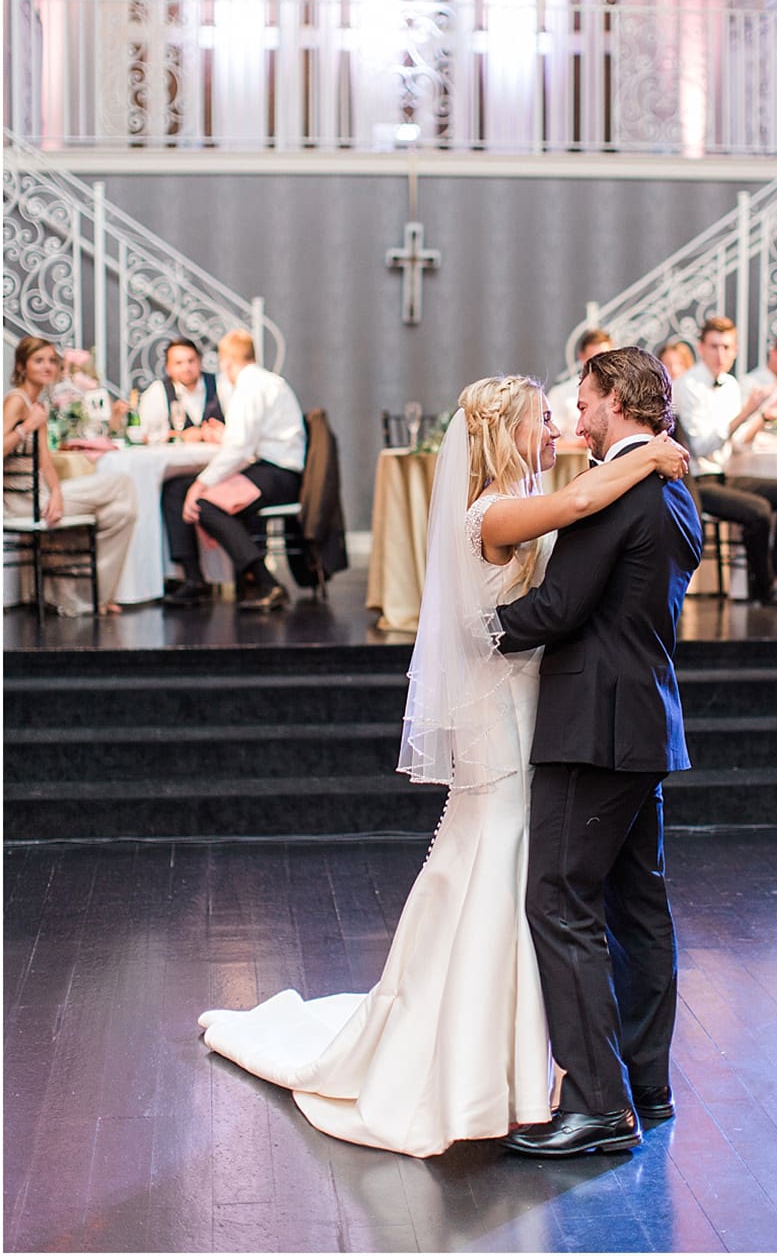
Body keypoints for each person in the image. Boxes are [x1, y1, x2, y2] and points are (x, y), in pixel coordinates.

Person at [198, 373, 691, 1156]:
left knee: (546, 887)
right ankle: (521, 1070)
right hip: (521, 714)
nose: (561, 424)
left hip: (558, 712)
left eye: (571, 409)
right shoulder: (494, 510)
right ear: (505, 432)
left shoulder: (564, 492)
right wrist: (654, 454)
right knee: (522, 873)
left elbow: (572, 535)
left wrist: (640, 457)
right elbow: (570, 511)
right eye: (543, 417)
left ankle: (549, 1072)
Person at [492, 348, 705, 1157]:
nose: (576, 419)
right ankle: (647, 1085)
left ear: (615, 400)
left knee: (557, 899)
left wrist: (476, 634)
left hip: (593, 727)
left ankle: (596, 1104)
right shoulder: (675, 486)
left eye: (582, 403)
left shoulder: (619, 491)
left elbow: (560, 605)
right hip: (646, 721)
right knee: (638, 909)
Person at [160, 329, 306, 612]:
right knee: (176, 489)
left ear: (226, 362)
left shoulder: (249, 387)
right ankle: (194, 579)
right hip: (275, 470)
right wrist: (225, 436)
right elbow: (247, 439)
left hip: (276, 474)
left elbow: (240, 449)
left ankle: (267, 583)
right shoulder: (267, 382)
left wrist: (200, 485)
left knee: (204, 505)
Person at [679, 316, 777, 609]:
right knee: (758, 510)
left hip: (724, 474)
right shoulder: (687, 385)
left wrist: (765, 417)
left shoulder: (729, 384)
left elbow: (738, 443)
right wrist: (747, 412)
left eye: (726, 347)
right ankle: (764, 590)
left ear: (735, 350)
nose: (720, 354)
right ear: (701, 348)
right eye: (714, 346)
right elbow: (702, 446)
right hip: (696, 483)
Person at [3, 334, 139, 615]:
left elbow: (46, 463)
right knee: (122, 482)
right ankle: (90, 597)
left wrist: (56, 493)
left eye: (52, 360)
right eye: (39, 360)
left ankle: (92, 596)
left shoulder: (36, 403)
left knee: (122, 512)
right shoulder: (16, 401)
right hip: (21, 501)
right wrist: (27, 426)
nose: (47, 366)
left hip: (40, 494)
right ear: (21, 366)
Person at [136, 337, 226, 441]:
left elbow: (239, 426)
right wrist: (180, 435)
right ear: (168, 368)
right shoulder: (157, 392)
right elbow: (145, 436)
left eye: (191, 361)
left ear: (200, 361)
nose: (186, 368)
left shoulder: (220, 384)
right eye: (179, 363)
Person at [547, 328, 613, 439]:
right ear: (582, 357)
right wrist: (582, 445)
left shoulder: (621, 391)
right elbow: (550, 438)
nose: (601, 365)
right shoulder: (560, 394)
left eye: (606, 358)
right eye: (594, 359)